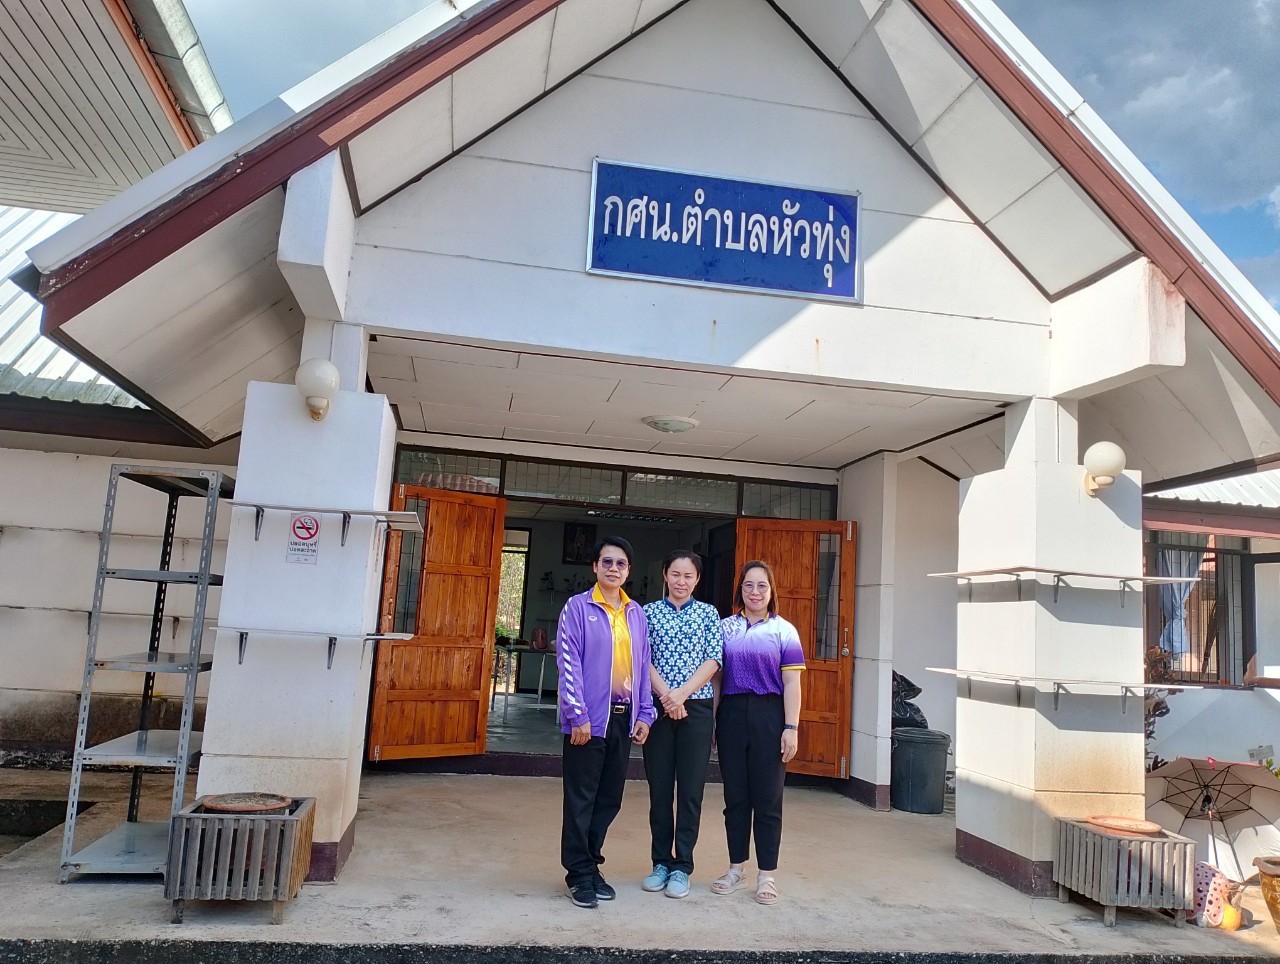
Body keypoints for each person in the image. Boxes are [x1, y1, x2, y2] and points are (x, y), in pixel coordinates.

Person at [556, 535, 656, 909]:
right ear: (595, 566)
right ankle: (578, 873)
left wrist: (645, 713)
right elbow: (568, 662)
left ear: (628, 571)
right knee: (581, 799)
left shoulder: (635, 613)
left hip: (622, 719)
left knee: (609, 798)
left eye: (621, 563)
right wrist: (577, 715)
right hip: (588, 721)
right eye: (607, 562)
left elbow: (642, 665)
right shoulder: (577, 608)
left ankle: (591, 863)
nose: (614, 568)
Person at [711, 560, 804, 905]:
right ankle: (736, 868)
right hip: (732, 715)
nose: (755, 592)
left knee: (768, 798)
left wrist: (791, 727)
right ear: (740, 590)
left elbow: (792, 683)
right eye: (748, 585)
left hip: (770, 715)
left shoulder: (784, 631)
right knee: (735, 798)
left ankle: (767, 874)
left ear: (771, 590)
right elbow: (716, 680)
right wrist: (713, 722)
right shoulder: (724, 628)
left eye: (761, 585)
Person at [640, 550, 723, 899]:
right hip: (658, 710)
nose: (681, 581)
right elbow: (641, 658)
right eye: (675, 574)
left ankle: (682, 866)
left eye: (688, 576)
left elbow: (714, 659)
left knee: (690, 791)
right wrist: (667, 697)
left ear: (697, 579)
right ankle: (660, 862)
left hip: (696, 710)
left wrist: (682, 695)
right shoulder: (647, 613)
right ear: (665, 574)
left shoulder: (708, 614)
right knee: (659, 790)